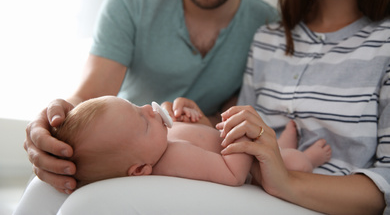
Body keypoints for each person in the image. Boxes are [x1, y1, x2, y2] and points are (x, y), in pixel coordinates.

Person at [23, 0, 278, 194]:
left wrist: (201, 121)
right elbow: (90, 97)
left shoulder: (270, 28)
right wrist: (58, 128)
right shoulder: (131, 0)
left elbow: (236, 113)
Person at [217, 0, 390, 214]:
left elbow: (387, 181)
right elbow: (236, 140)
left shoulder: (385, 45)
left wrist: (286, 182)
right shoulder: (266, 39)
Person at [52, 96, 330, 189]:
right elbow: (232, 174)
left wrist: (189, 117)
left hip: (228, 143)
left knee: (278, 148)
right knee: (294, 162)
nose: (150, 109)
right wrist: (244, 134)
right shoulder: (173, 161)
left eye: (137, 106)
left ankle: (280, 143)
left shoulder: (153, 146)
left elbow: (200, 137)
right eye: (144, 121)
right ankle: (308, 157)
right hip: (252, 166)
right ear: (139, 170)